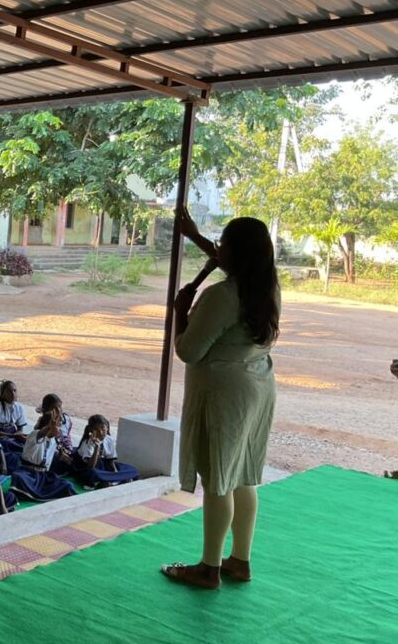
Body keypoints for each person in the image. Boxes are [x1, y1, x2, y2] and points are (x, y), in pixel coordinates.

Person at [162, 213, 280, 591]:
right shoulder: (267, 288)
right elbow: (221, 257)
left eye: (224, 244)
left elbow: (188, 351)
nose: (218, 249)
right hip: (256, 387)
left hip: (223, 395)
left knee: (217, 478)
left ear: (236, 253)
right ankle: (239, 560)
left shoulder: (221, 297)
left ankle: (208, 568)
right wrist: (195, 236)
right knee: (242, 473)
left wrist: (181, 312)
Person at [73, 415, 138, 489]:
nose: (100, 432)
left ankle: (110, 481)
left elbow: (110, 461)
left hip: (103, 466)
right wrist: (97, 448)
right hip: (86, 468)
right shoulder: (87, 443)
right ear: (91, 431)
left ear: (107, 427)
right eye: (96, 429)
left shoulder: (109, 439)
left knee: (130, 469)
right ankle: (103, 482)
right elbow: (90, 467)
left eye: (103, 428)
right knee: (93, 473)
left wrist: (116, 474)